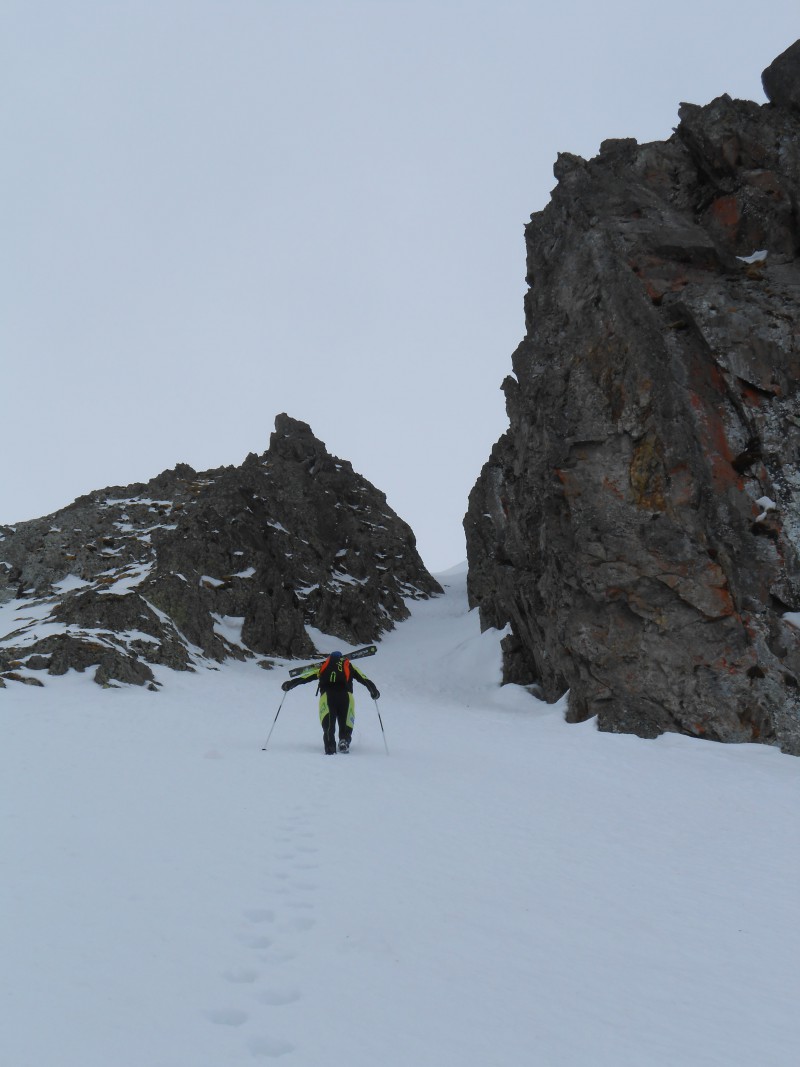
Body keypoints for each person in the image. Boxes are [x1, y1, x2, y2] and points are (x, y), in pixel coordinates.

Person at [281, 650, 380, 754]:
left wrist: (290, 684)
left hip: (327, 696)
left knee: (328, 724)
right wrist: (373, 690)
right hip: (346, 696)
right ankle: (344, 741)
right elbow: (363, 678)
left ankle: (330, 746)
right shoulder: (349, 666)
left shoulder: (323, 667)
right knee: (345, 723)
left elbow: (305, 678)